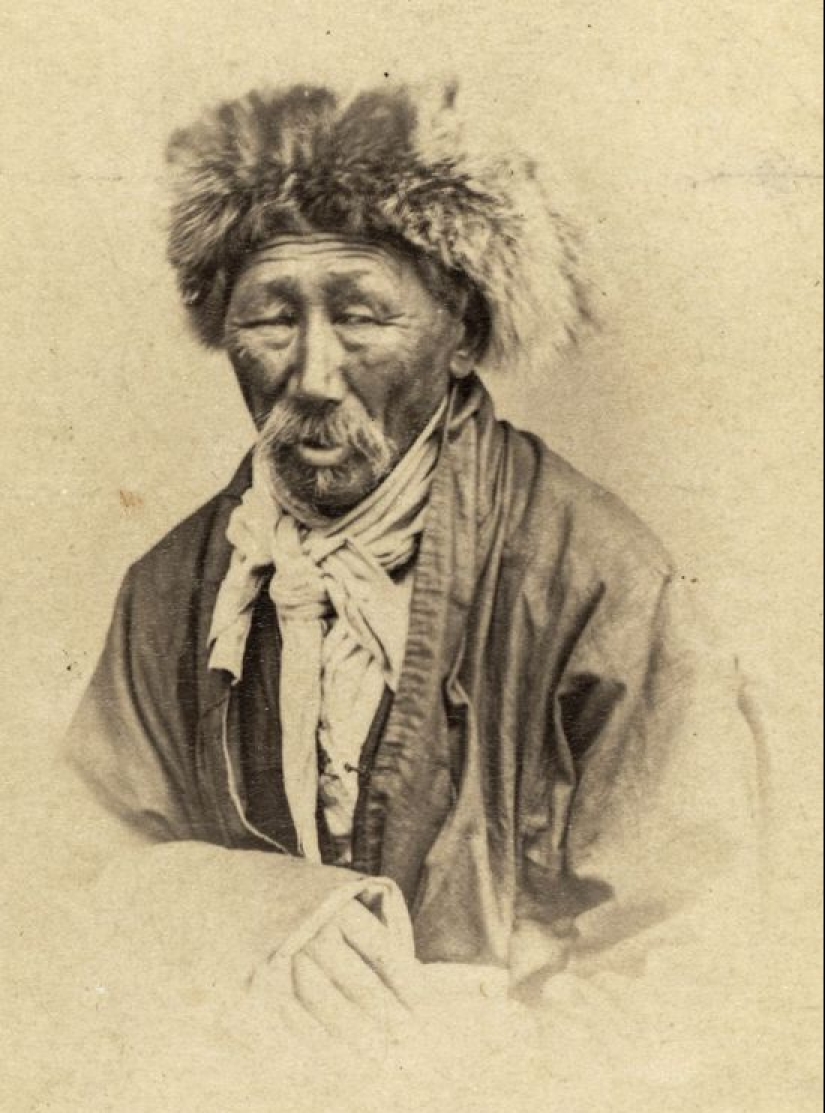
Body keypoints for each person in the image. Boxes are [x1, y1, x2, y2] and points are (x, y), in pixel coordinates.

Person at [58, 80, 759, 1050]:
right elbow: (64, 881)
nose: (313, 375)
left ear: (460, 333)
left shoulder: (600, 582)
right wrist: (250, 912)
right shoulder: (173, 591)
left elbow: (694, 963)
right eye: (271, 319)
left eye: (361, 317)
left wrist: (455, 1052)